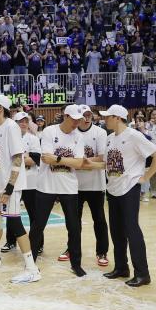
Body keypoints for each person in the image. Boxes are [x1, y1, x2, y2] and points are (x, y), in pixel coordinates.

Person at [0, 95, 40, 284]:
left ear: (0, 108)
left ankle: (32, 269)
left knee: (15, 223)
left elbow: (18, 158)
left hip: (8, 186)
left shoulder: (11, 127)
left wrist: (9, 188)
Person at [100, 104, 156, 287]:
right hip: (113, 189)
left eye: (108, 116)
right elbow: (106, 163)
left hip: (129, 189)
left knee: (132, 230)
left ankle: (142, 274)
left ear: (117, 118)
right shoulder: (110, 138)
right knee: (116, 231)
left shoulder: (134, 135)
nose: (105, 119)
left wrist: (145, 177)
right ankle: (121, 268)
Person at [29, 104, 87, 277]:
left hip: (69, 187)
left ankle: (76, 264)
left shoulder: (79, 136)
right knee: (38, 225)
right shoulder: (50, 131)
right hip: (46, 186)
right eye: (74, 119)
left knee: (74, 227)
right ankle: (30, 262)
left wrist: (59, 158)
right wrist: (68, 160)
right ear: (65, 116)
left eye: (79, 120)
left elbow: (79, 163)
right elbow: (46, 159)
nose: (76, 123)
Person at [71, 105, 110, 267]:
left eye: (88, 115)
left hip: (96, 185)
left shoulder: (100, 133)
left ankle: (102, 251)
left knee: (99, 220)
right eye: (83, 115)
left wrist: (80, 161)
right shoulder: (71, 132)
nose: (86, 118)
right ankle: (71, 249)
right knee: (73, 221)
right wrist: (81, 161)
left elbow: (102, 157)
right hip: (74, 185)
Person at [4, 112, 40, 252]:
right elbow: (9, 161)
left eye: (26, 121)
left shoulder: (33, 139)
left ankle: (37, 243)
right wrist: (25, 156)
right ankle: (10, 241)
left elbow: (34, 160)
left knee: (34, 215)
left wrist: (18, 159)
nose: (23, 124)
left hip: (31, 182)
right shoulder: (9, 138)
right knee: (11, 213)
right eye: (20, 121)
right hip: (14, 183)